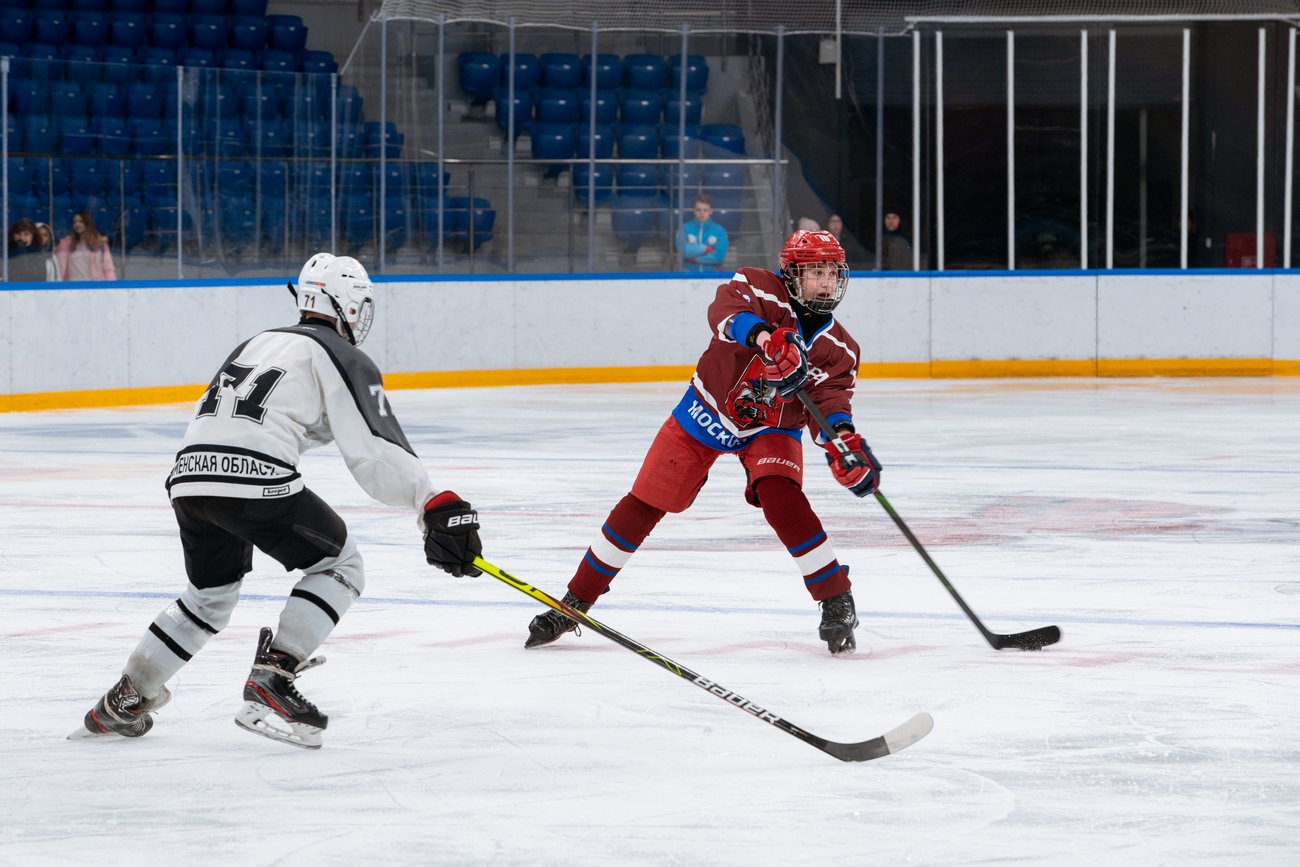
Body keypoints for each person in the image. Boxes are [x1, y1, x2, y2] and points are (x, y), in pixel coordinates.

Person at [73, 253, 485, 750]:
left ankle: (126, 698)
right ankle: (275, 674)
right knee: (342, 565)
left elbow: (262, 419)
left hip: (188, 477)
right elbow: (374, 451)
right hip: (254, 480)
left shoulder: (259, 342)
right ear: (351, 305)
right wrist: (433, 503)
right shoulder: (340, 353)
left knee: (208, 597)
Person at [525, 230, 881, 656]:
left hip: (772, 426)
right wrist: (766, 338)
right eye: (815, 273)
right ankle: (576, 600)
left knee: (780, 496)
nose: (825, 283)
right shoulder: (756, 285)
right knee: (645, 502)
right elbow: (725, 313)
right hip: (706, 410)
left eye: (831, 273)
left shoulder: (841, 349)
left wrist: (844, 440)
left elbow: (831, 402)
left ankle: (836, 597)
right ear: (791, 274)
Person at [55, 211, 116, 281]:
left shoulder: (99, 244)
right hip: (71, 285)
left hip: (93, 285)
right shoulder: (67, 244)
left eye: (81, 221)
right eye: (74, 222)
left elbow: (108, 267)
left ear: (88, 223)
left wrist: (112, 285)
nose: (77, 224)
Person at [677, 195, 728, 272]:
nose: (702, 213)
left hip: (713, 276)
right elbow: (683, 251)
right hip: (689, 275)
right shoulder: (684, 229)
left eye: (705, 210)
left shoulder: (720, 231)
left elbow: (719, 256)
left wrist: (696, 259)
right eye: (698, 210)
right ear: (694, 211)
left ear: (711, 211)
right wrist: (706, 249)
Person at [7, 217, 47, 282]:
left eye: (26, 234)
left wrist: (21, 250)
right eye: (18, 234)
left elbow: (35, 277)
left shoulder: (38, 254)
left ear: (33, 236)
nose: (22, 238)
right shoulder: (6, 252)